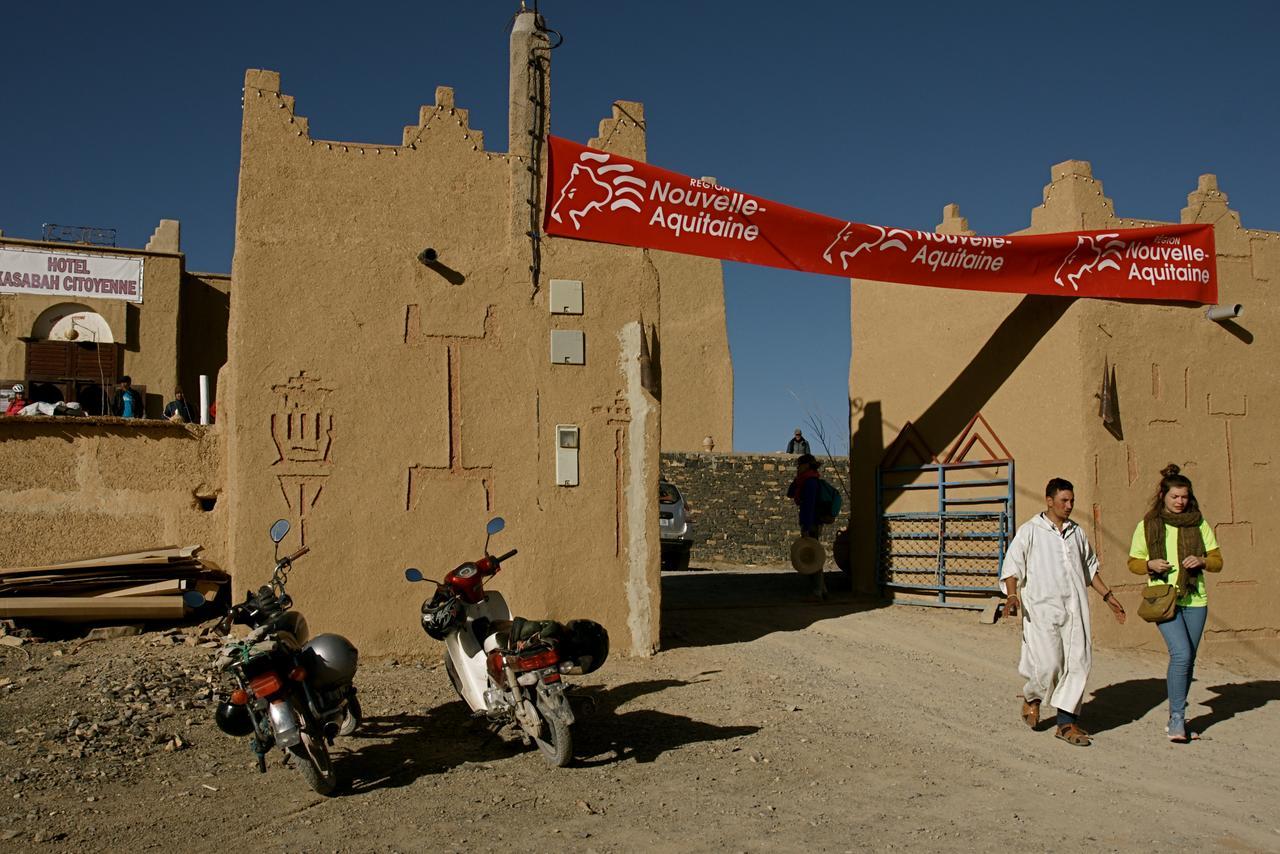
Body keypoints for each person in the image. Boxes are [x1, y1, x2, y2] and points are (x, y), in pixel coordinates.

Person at [1001, 478, 1126, 747]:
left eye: (1072, 501)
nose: (1069, 506)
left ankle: (1066, 722)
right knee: (1049, 665)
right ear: (1049, 501)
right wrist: (1012, 596)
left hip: (1075, 609)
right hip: (1042, 610)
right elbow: (1012, 567)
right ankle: (1032, 697)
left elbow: (1089, 569)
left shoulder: (1076, 533)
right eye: (1063, 501)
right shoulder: (1030, 531)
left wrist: (1108, 596)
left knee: (1079, 663)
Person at [1127, 464, 1222, 743]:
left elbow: (1217, 561)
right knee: (1180, 654)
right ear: (1163, 496)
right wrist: (1149, 564)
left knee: (1189, 657)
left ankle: (1176, 713)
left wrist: (1202, 560)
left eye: (1184, 497)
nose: (1180, 502)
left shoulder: (1199, 523)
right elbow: (1133, 562)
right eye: (1175, 497)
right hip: (1162, 599)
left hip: (1195, 598)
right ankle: (1177, 718)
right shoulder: (1148, 525)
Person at [786, 453, 827, 598]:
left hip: (812, 522)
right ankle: (822, 589)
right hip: (811, 521)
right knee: (814, 555)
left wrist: (807, 526)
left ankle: (817, 591)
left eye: (800, 465)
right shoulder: (805, 480)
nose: (798, 467)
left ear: (807, 465)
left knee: (812, 557)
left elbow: (809, 506)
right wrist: (797, 479)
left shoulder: (810, 482)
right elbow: (790, 493)